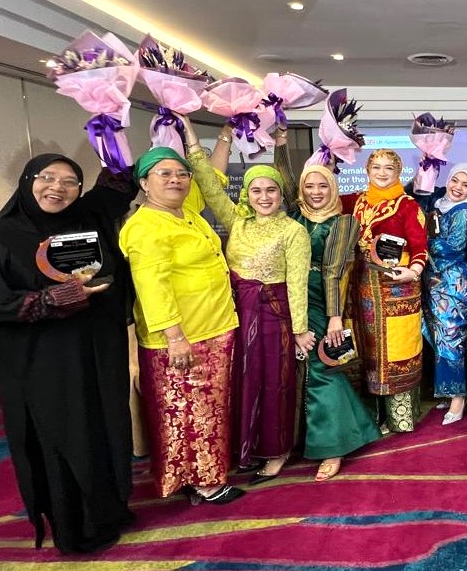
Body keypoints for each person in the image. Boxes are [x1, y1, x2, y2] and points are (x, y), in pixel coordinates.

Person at [0, 154, 136, 553]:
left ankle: (108, 510)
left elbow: (118, 184)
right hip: (44, 363)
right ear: (28, 181)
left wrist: (114, 124)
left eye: (69, 182)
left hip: (97, 353)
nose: (57, 188)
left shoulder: (87, 221)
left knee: (104, 429)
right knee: (62, 436)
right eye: (47, 178)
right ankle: (74, 530)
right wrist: (52, 299)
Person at [182, 118, 313, 482]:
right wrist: (196, 137)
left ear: (281, 194)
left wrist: (300, 329)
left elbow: (297, 284)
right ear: (247, 195)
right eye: (257, 191)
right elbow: (208, 185)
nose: (264, 197)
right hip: (235, 313)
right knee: (240, 380)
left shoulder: (293, 231)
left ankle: (277, 449)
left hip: (274, 316)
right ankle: (246, 447)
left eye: (271, 190)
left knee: (275, 383)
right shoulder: (237, 221)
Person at [121, 147, 243, 506]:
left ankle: (201, 473)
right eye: (164, 174)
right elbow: (151, 287)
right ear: (144, 182)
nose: (176, 180)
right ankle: (203, 481)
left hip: (212, 326)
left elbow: (212, 178)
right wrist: (174, 336)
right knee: (190, 409)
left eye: (181, 174)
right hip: (182, 338)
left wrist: (223, 137)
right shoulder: (145, 227)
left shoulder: (184, 212)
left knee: (204, 406)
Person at [291, 163, 382, 480]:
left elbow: (333, 272)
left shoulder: (343, 222)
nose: (316, 192)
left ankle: (333, 445)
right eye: (309, 186)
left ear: (333, 188)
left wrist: (333, 318)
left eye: (323, 186)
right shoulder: (294, 216)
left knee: (321, 366)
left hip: (319, 300)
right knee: (296, 368)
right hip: (287, 296)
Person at [342, 149, 429, 433]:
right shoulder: (355, 202)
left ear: (398, 172)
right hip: (361, 291)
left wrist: (413, 271)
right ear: (367, 171)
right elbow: (316, 196)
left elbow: (419, 247)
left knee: (397, 353)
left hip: (397, 291)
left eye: (388, 168)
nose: (381, 173)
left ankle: (399, 419)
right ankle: (368, 418)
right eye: (376, 167)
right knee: (366, 352)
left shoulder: (407, 206)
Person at [419, 163, 467, 424]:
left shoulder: (463, 211)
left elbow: (453, 247)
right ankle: (447, 388)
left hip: (453, 284)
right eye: (455, 181)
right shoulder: (437, 204)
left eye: (466, 185)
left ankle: (458, 397)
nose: (459, 188)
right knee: (437, 339)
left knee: (451, 339)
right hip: (433, 281)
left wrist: (420, 240)